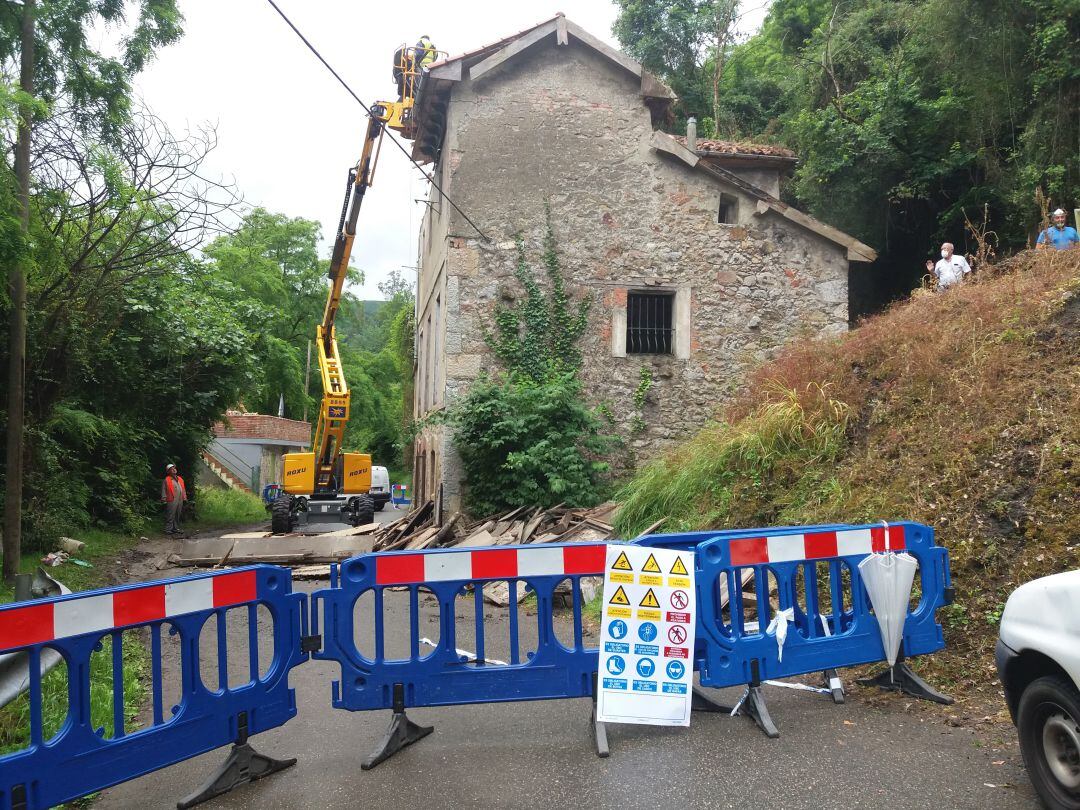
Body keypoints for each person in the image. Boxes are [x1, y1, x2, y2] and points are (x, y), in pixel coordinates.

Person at [161, 463, 188, 535]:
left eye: (174, 468)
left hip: (180, 499)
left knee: (177, 514)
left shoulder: (180, 479)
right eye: (171, 469)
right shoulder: (167, 480)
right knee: (170, 514)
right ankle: (168, 529)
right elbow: (164, 489)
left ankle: (175, 528)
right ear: (168, 471)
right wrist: (163, 498)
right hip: (171, 499)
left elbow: (183, 489)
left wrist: (184, 497)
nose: (174, 469)